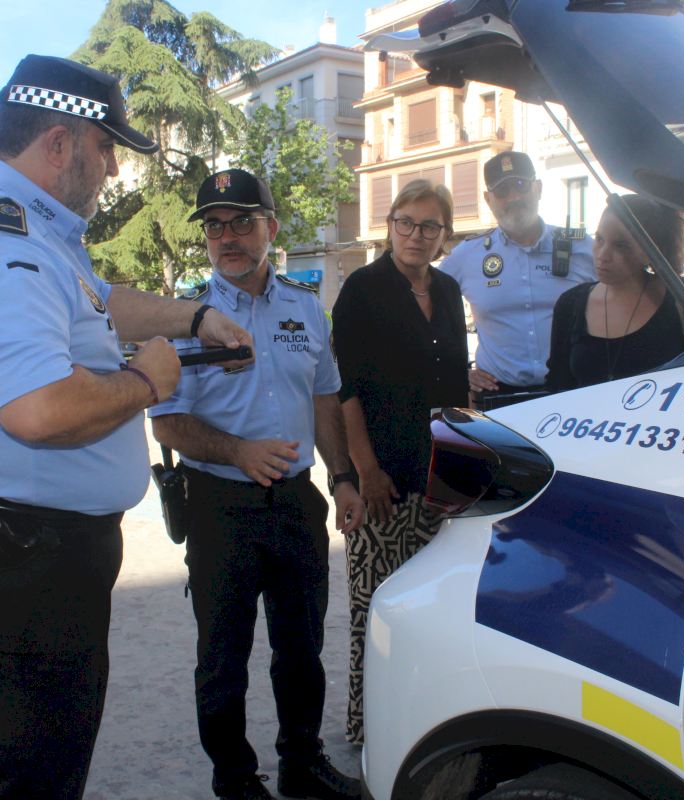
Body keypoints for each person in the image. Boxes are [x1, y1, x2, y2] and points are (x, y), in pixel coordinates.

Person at [0, 55, 252, 800]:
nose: (113, 168)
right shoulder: (3, 244)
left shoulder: (31, 228)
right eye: (106, 147)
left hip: (26, 545)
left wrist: (194, 318)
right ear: (60, 143)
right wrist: (147, 382)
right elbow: (39, 409)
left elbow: (98, 301)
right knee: (36, 775)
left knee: (45, 759)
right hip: (20, 552)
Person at [149, 169, 365, 800]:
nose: (228, 237)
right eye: (215, 226)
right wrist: (238, 451)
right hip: (220, 505)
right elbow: (166, 421)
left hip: (296, 502)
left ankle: (302, 761)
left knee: (301, 648)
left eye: (242, 222)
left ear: (271, 227)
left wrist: (343, 476)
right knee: (223, 658)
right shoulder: (188, 318)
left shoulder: (305, 306)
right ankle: (236, 779)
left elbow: (324, 398)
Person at [330, 179, 469, 744]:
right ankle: (369, 730)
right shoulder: (362, 289)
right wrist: (364, 471)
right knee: (377, 610)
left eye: (429, 225)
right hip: (383, 481)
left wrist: (463, 469)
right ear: (389, 226)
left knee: (434, 612)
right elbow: (346, 389)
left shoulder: (450, 291)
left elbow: (456, 388)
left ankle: (424, 725)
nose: (416, 234)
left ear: (444, 234)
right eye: (405, 222)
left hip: (439, 479)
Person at [439, 151, 595, 409]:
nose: (514, 198)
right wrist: (457, 369)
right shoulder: (467, 256)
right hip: (499, 399)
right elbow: (424, 313)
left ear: (538, 188)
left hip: (570, 394)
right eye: (502, 191)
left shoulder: (582, 247)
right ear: (488, 200)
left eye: (521, 185)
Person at [545, 194, 684, 390]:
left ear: (651, 251)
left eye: (621, 245)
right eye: (599, 239)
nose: (603, 255)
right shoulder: (570, 304)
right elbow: (557, 385)